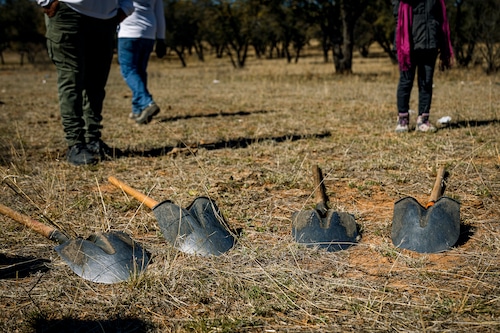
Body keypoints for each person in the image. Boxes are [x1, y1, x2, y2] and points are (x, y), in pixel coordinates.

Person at [37, 0, 134, 165]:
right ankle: (75, 144)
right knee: (71, 81)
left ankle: (93, 140)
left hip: (106, 17)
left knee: (97, 83)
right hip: (68, 11)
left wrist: (126, 7)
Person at [392, 0, 454, 133]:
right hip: (408, 42)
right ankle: (402, 119)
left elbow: (439, 14)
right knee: (406, 81)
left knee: (426, 82)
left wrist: (436, 32)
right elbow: (397, 11)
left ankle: (423, 119)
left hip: (430, 41)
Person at [117, 0, 166, 125]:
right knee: (139, 72)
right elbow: (159, 14)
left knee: (128, 71)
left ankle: (147, 103)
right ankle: (137, 111)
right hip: (148, 33)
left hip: (128, 32)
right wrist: (161, 38)